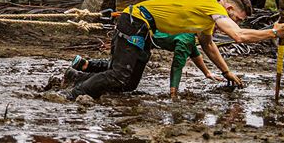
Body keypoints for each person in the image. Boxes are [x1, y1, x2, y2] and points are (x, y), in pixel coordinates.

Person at [62, 0, 284, 101]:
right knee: (119, 74)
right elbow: (238, 36)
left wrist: (226, 72)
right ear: (229, 9)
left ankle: (76, 77)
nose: (236, 23)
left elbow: (207, 45)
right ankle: (73, 94)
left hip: (144, 28)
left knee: (128, 84)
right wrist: (272, 32)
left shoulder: (207, 15)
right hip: (135, 21)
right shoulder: (213, 7)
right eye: (237, 18)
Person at [68, 31, 222, 98]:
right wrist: (173, 94)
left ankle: (85, 66)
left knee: (122, 72)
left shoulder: (189, 34)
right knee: (123, 79)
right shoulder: (186, 41)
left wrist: (207, 73)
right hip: (138, 41)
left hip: (141, 41)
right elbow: (177, 68)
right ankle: (78, 82)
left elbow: (195, 54)